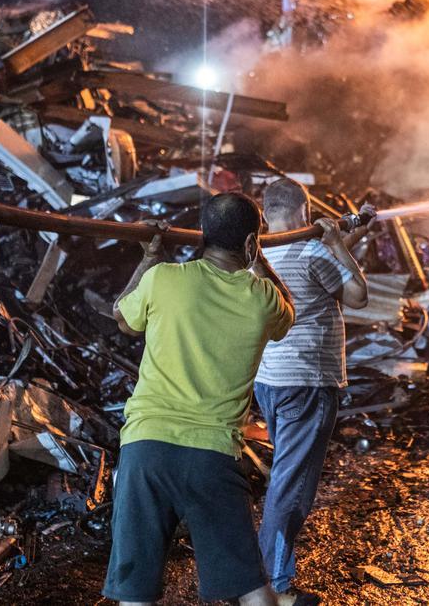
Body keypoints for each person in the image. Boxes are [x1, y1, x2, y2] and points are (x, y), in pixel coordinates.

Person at [103, 193, 295, 606]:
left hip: (145, 450)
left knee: (135, 595)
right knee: (252, 592)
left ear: (203, 236)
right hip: (211, 457)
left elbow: (121, 317)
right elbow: (289, 309)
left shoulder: (163, 279)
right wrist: (257, 256)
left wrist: (149, 258)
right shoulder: (262, 300)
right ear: (249, 244)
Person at [254, 178, 371, 604]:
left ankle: (263, 578)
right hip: (308, 383)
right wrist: (340, 245)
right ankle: (273, 585)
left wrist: (347, 239)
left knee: (284, 477)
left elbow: (321, 267)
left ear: (266, 213)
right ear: (305, 211)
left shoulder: (261, 252)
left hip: (271, 381)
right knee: (292, 484)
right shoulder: (314, 251)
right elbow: (357, 295)